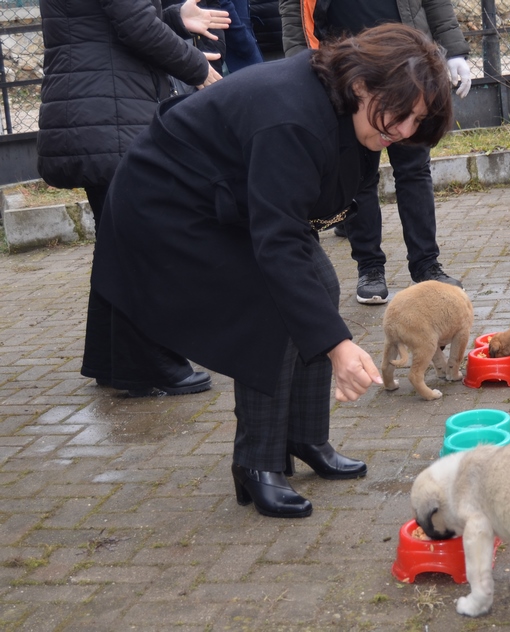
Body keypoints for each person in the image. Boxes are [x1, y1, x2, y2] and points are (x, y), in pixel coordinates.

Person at [89, 23, 454, 518]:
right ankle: (258, 464)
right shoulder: (293, 118)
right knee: (271, 307)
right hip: (165, 203)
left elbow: (313, 210)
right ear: (362, 85)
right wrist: (337, 345)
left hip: (225, 195)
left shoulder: (346, 104)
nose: (405, 132)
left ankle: (306, 438)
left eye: (417, 120)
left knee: (320, 285)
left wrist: (328, 331)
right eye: (401, 114)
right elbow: (278, 245)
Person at [37, 0, 230, 397]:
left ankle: (110, 359)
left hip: (98, 107)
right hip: (109, 112)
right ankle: (149, 362)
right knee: (146, 241)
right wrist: (199, 71)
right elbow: (136, 26)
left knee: (119, 240)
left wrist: (175, 18)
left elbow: (112, 16)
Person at [279, 0, 472, 304]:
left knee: (414, 169)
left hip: (407, 64)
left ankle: (426, 265)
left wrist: (454, 49)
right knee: (358, 176)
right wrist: (300, 61)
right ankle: (369, 268)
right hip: (347, 71)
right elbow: (293, 7)